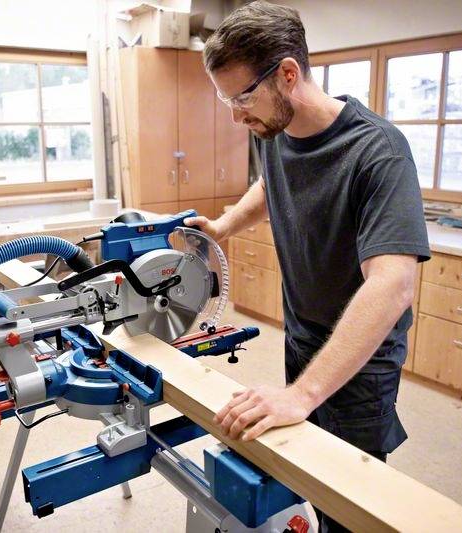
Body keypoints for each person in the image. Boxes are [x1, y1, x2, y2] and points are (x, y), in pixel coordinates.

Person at [184, 2, 431, 531]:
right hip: (303, 341)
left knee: (350, 500)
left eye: (241, 98)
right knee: (306, 474)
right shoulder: (272, 127)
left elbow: (392, 285)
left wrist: (303, 394)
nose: (235, 116)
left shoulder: (378, 152)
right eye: (225, 100)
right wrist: (224, 226)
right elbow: (273, 184)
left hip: (361, 361)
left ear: (289, 75)